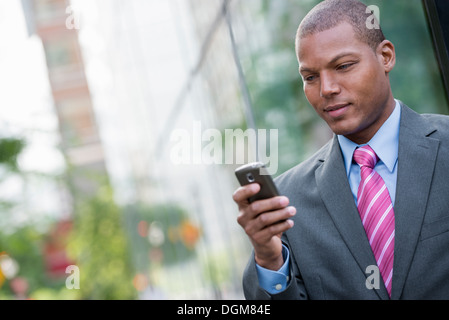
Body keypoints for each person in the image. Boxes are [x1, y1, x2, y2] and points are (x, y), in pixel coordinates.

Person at [232, 0, 449, 300]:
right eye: (310, 77)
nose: (326, 89)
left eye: (343, 66)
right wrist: (270, 260)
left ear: (385, 56)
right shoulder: (287, 202)